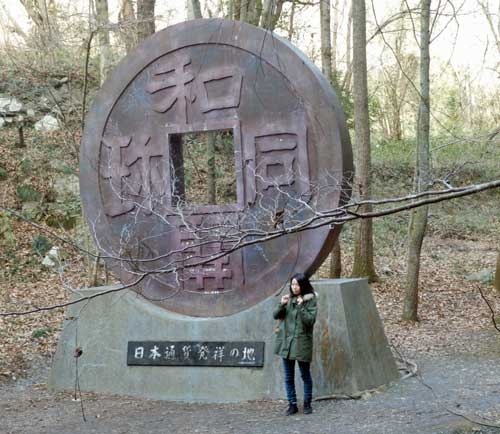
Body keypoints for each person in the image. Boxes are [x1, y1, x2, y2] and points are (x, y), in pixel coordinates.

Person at [273, 272, 318, 415]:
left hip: (301, 343)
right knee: (288, 376)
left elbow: (310, 321)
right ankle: (292, 404)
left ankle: (307, 403)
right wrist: (281, 304)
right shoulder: (289, 300)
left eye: (297, 284)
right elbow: (276, 315)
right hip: (287, 343)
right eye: (292, 284)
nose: (294, 287)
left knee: (305, 375)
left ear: (303, 285)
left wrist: (301, 306)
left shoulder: (310, 300)